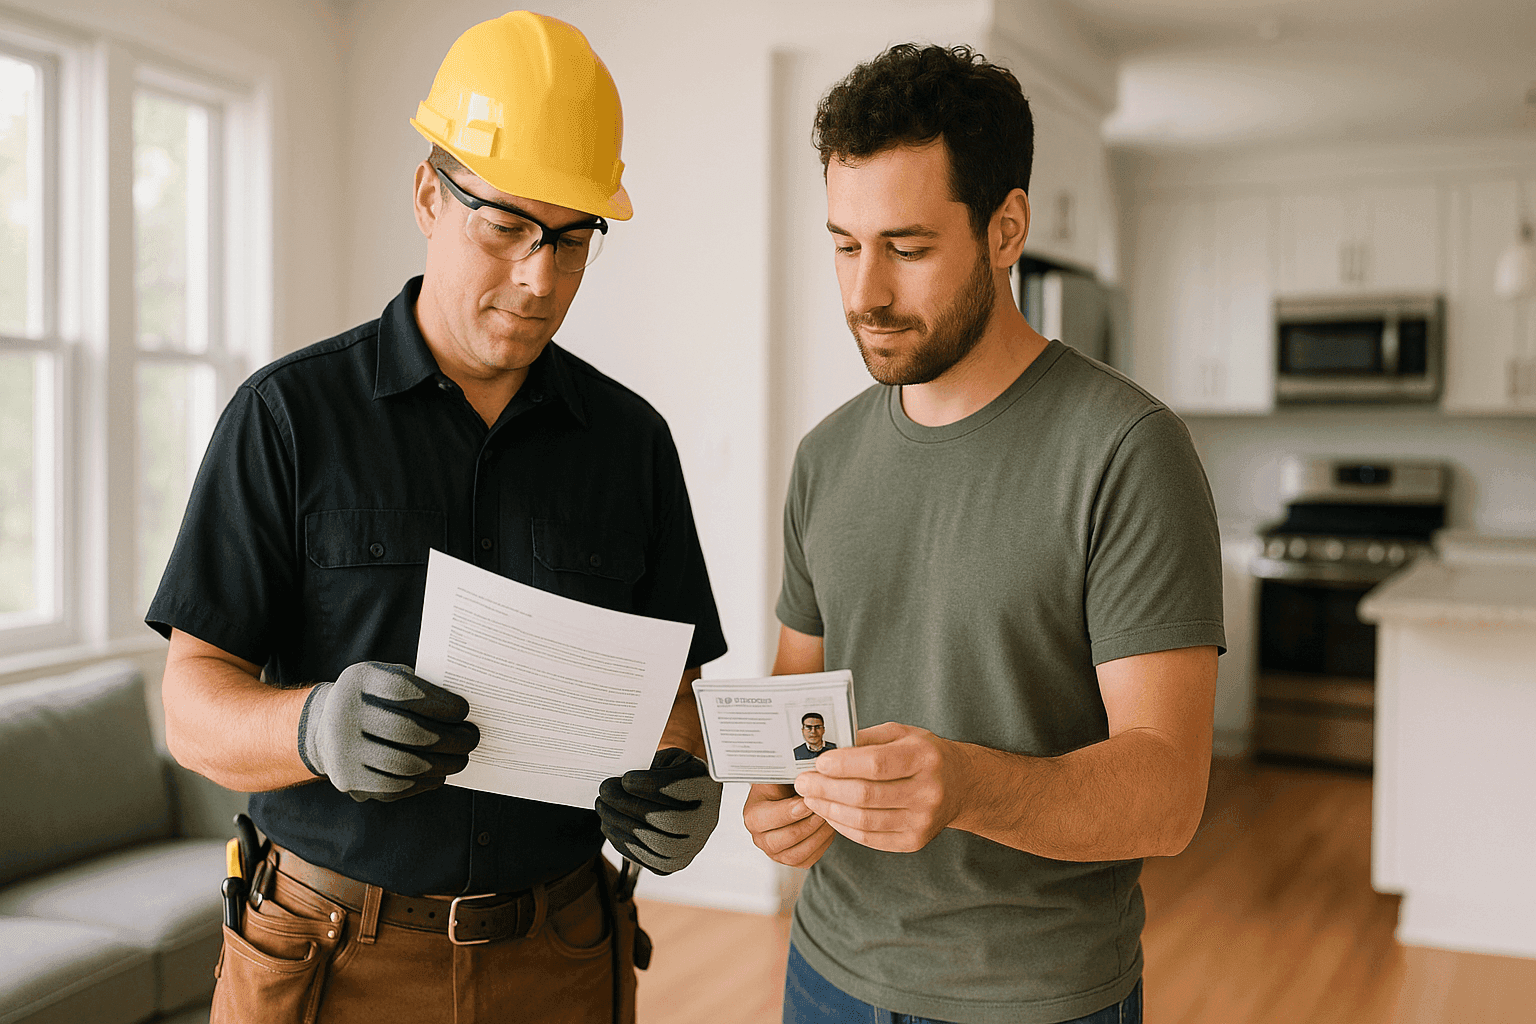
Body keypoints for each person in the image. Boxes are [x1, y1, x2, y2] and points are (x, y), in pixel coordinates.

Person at [149, 13, 726, 1024]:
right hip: (327, 957)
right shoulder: (286, 418)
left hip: (562, 953)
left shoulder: (631, 444)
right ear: (429, 195)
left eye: (572, 239)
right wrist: (313, 726)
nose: (540, 278)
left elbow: (676, 690)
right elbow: (190, 706)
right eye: (506, 226)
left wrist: (683, 778)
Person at [743, 43, 1224, 1024]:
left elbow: (1169, 793)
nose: (864, 293)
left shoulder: (1128, 451)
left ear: (1006, 230)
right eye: (845, 245)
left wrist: (965, 785)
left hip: (1035, 997)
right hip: (825, 973)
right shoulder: (825, 456)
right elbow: (797, 692)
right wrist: (773, 792)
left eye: (908, 248)